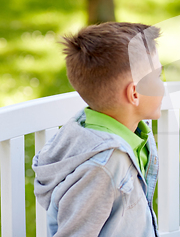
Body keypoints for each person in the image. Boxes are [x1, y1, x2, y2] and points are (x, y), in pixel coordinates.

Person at [33, 22, 164, 237]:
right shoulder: (102, 167)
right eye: (157, 76)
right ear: (135, 93)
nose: (162, 85)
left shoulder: (132, 130)